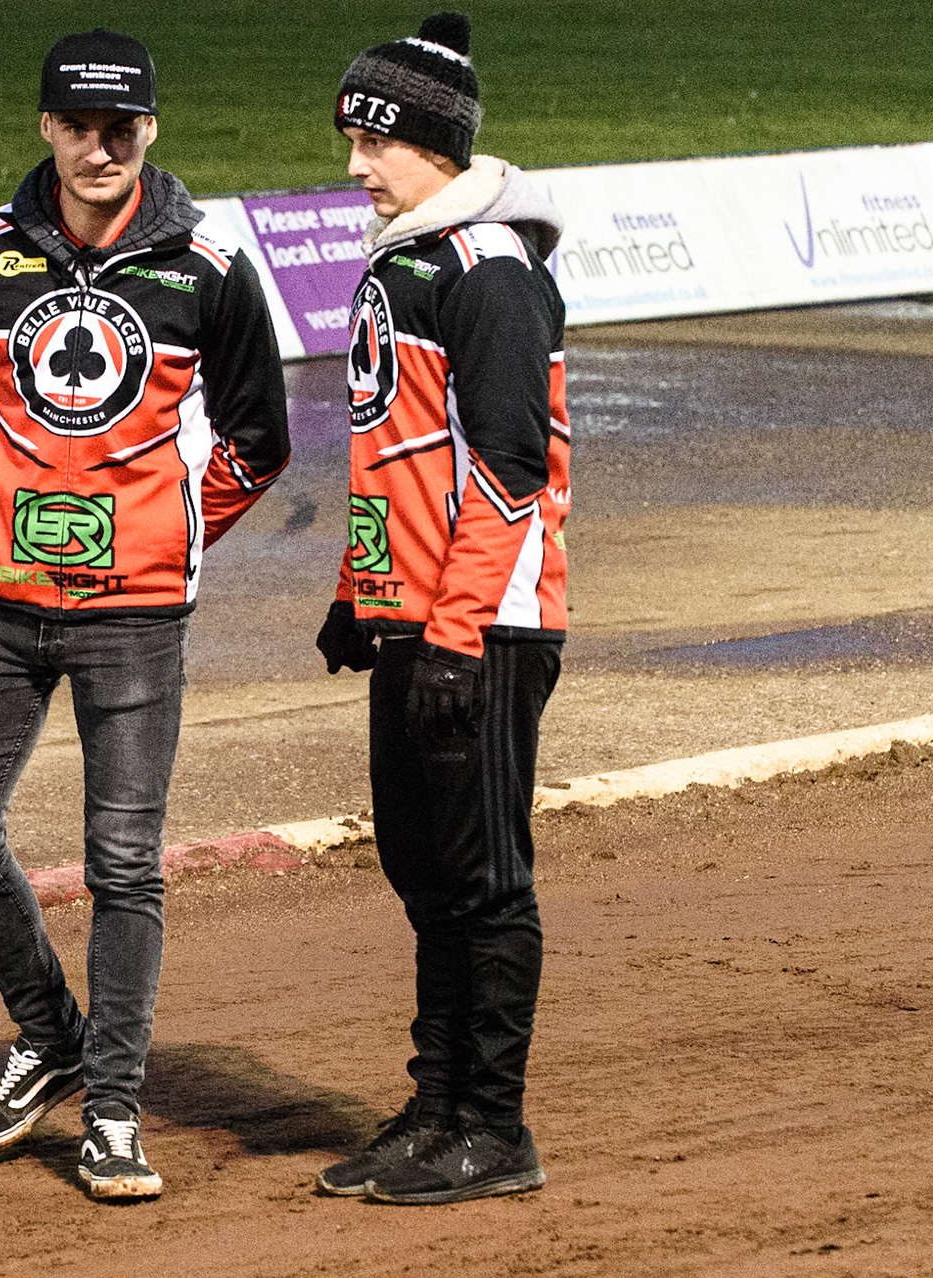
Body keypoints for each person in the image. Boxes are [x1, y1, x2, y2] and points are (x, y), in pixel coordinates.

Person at [0, 28, 290, 1201]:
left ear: (152, 131)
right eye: (78, 125)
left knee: (124, 866)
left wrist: (162, 536)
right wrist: (18, 516)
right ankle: (51, 1034)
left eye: (120, 126)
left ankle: (116, 1112)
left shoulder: (210, 272)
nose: (99, 146)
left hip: (137, 617)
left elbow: (260, 442)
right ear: (44, 127)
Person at [312, 11, 570, 1206]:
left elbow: (512, 469)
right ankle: (433, 1113)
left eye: (374, 144)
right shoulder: (409, 257)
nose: (354, 167)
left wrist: (458, 628)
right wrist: (360, 593)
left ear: (434, 146)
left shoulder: (492, 270)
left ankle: (494, 1128)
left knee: (484, 881)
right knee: (421, 873)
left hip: (487, 626)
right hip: (416, 622)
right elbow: (407, 456)